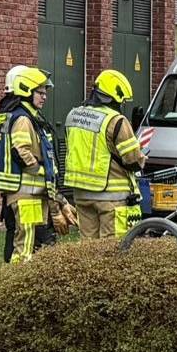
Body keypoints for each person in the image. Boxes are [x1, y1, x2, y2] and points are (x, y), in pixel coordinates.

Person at [62, 69, 147, 239]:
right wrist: (142, 159)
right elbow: (133, 161)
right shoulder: (116, 120)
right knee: (112, 251)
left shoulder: (73, 115)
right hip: (111, 196)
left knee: (89, 250)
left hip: (81, 194)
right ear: (114, 97)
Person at [0, 66, 62, 263]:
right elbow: (20, 151)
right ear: (26, 90)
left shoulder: (17, 115)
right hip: (27, 194)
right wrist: (41, 171)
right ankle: (16, 285)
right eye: (40, 92)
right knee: (25, 247)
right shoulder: (23, 119)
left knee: (27, 244)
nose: (44, 97)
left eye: (44, 93)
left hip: (27, 193)